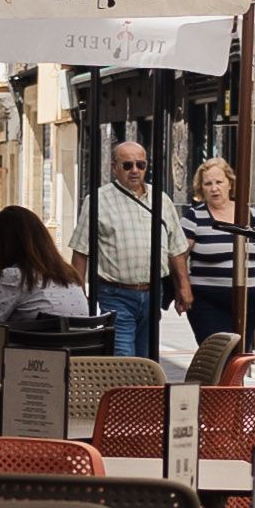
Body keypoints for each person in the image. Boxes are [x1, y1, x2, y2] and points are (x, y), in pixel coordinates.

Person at [69, 138, 191, 357]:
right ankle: (124, 391)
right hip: (115, 293)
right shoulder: (98, 200)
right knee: (124, 357)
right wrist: (78, 294)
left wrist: (184, 286)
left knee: (146, 358)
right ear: (114, 167)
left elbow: (176, 248)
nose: (134, 170)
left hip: (153, 292)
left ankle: (141, 392)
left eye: (140, 165)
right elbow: (81, 251)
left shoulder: (161, 200)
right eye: (127, 165)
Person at [179, 158, 255, 349]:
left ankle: (234, 381)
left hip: (248, 298)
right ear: (202, 188)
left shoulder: (248, 213)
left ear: (229, 183)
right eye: (208, 184)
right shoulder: (194, 216)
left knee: (241, 354)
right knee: (216, 354)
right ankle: (219, 381)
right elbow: (179, 256)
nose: (214, 188)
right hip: (207, 301)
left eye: (219, 182)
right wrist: (183, 288)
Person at [0, 205, 89, 324]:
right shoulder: (70, 275)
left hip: (40, 342)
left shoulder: (18, 276)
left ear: (5, 248)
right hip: (85, 342)